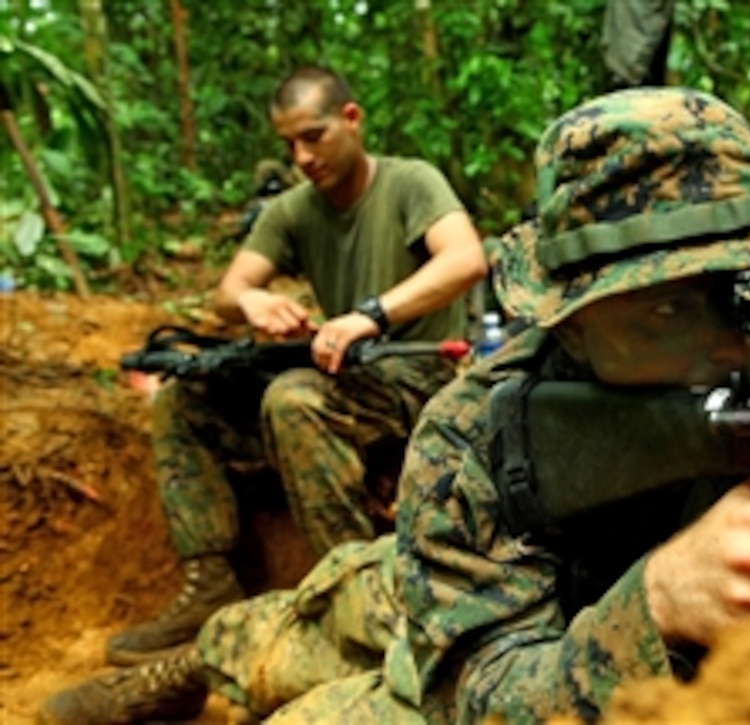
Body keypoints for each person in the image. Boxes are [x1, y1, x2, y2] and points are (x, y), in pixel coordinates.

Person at [41, 87, 750, 724]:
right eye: (671, 309)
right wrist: (654, 607)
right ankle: (191, 662)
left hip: (519, 605)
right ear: (571, 322)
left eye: (749, 286)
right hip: (453, 619)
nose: (732, 336)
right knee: (290, 648)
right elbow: (470, 694)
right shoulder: (481, 424)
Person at [102, 65, 488, 667]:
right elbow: (228, 294)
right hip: (345, 379)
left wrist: (370, 315)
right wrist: (252, 300)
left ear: (352, 120)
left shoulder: (411, 183)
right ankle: (210, 580)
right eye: (289, 145)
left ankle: (360, 590)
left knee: (293, 399)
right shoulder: (293, 209)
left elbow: (466, 259)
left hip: (420, 381)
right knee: (184, 397)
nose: (303, 156)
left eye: (315, 136)